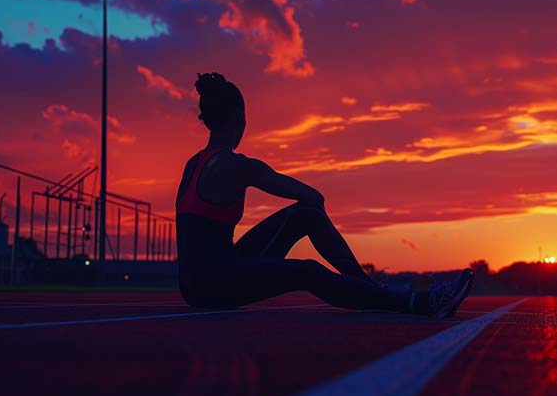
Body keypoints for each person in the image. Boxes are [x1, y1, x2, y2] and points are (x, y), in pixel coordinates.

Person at [175, 72, 473, 317]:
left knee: (305, 216)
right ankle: (415, 304)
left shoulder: (193, 164)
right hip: (216, 286)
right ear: (239, 119)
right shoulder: (240, 166)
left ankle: (369, 289)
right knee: (307, 268)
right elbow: (314, 197)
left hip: (196, 283)